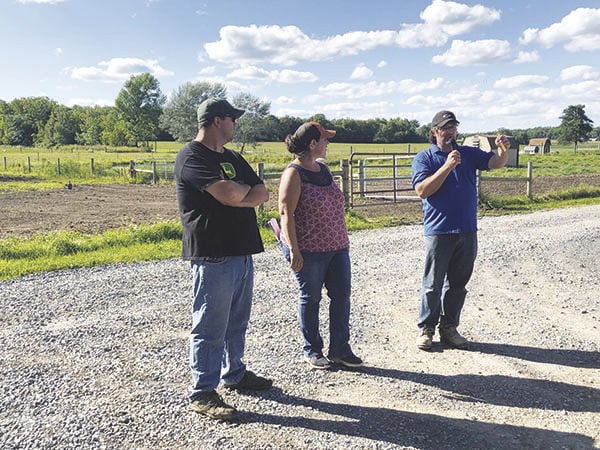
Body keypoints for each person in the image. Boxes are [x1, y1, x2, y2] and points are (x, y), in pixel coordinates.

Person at [174, 98, 272, 421]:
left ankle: (235, 373)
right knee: (210, 325)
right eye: (233, 119)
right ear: (218, 121)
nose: (236, 124)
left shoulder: (231, 157)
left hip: (242, 252)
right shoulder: (191, 157)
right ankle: (202, 391)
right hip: (213, 255)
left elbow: (262, 192)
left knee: (237, 322)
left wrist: (237, 193)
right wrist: (239, 194)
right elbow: (231, 194)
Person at [411, 110, 509, 351]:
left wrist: (503, 151)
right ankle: (426, 329)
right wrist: (447, 165)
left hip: (467, 229)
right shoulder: (424, 158)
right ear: (435, 131)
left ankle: (450, 328)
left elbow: (495, 163)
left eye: (453, 127)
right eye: (445, 127)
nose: (451, 131)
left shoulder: (467, 153)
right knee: (433, 284)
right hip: (439, 230)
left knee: (458, 284)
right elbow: (423, 191)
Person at [278, 122, 363, 370]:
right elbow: (286, 214)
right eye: (324, 139)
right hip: (310, 250)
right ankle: (312, 350)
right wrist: (294, 250)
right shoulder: (294, 173)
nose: (328, 143)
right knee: (311, 298)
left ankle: (340, 350)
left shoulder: (322, 169)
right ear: (312, 143)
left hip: (337, 247)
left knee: (341, 297)